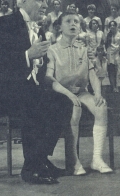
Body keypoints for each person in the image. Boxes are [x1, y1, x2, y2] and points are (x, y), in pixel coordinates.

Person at [0, 0, 70, 184]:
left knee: (63, 102)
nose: (45, 5)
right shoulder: (4, 23)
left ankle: (38, 159)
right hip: (5, 91)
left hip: (28, 90)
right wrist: (27, 55)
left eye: (46, 2)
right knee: (36, 103)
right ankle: (32, 168)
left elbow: (39, 67)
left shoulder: (39, 28)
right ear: (22, 1)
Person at [45, 11, 113, 174]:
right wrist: (68, 95)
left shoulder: (85, 49)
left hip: (81, 92)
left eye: (76, 21)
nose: (73, 24)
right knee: (75, 110)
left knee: (101, 107)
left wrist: (97, 93)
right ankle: (73, 162)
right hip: (61, 94)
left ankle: (97, 159)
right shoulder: (52, 50)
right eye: (68, 21)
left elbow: (92, 73)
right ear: (59, 27)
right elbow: (49, 78)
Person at [105, 20, 120, 92]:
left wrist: (118, 49)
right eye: (111, 26)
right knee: (111, 70)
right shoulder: (108, 35)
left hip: (118, 52)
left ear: (116, 26)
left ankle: (118, 85)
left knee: (118, 69)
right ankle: (113, 87)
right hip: (110, 53)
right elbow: (107, 45)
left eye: (113, 25)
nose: (112, 27)